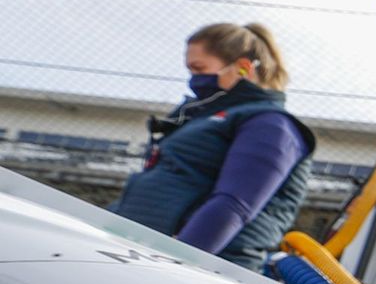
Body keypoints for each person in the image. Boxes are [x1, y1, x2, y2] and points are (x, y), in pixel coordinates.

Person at [112, 23, 315, 270]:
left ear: (242, 68)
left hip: (198, 270)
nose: (194, 79)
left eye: (200, 69)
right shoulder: (203, 118)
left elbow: (233, 204)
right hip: (142, 253)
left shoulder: (271, 125)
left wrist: (176, 264)